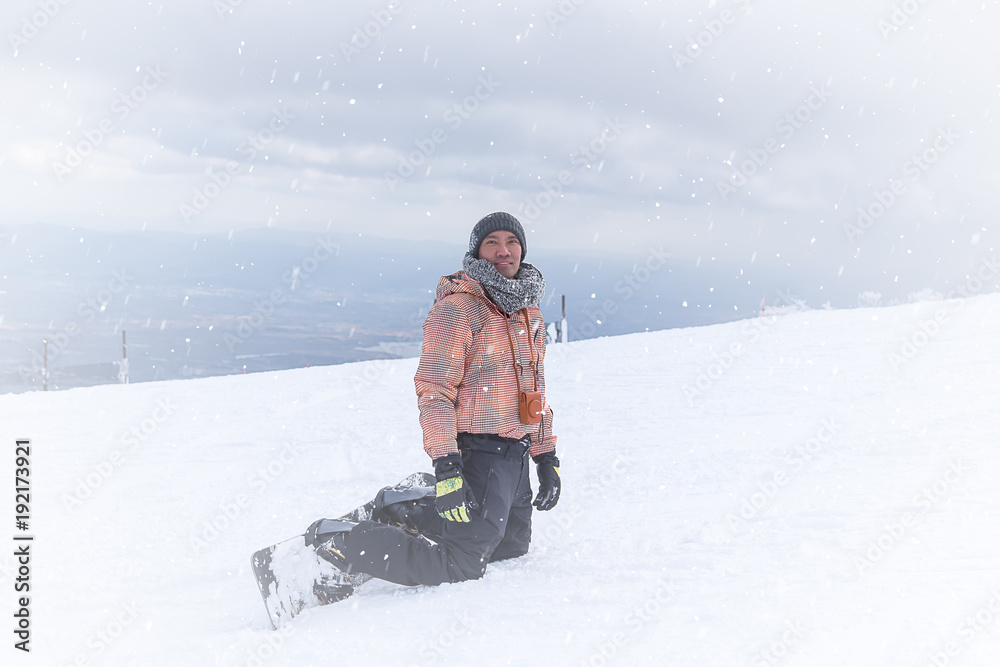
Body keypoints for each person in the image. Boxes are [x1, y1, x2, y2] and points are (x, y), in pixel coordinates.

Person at [307, 211, 560, 593]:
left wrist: (545, 458)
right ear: (477, 252)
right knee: (460, 562)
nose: (503, 250)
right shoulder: (459, 308)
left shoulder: (528, 311)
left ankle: (402, 505)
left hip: (517, 452)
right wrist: (447, 467)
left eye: (511, 242)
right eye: (492, 243)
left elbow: (536, 390)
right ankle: (335, 543)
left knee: (509, 547)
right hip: (479, 451)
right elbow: (435, 391)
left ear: (522, 249)